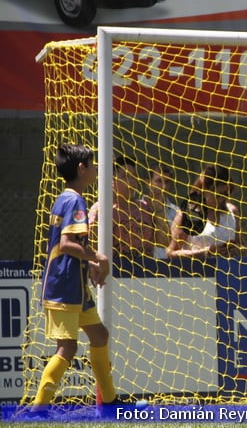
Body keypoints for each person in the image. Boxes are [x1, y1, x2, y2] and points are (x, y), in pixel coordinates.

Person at [29, 144, 117, 416]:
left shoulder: (66, 198)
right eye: (92, 164)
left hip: (75, 286)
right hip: (63, 285)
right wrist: (97, 258)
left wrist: (88, 263)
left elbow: (70, 243)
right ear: (82, 169)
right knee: (67, 347)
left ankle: (111, 404)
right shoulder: (75, 200)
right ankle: (38, 410)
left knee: (100, 335)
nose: (95, 169)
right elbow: (67, 244)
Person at [167, 164, 241, 258]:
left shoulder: (232, 212)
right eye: (218, 195)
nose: (222, 199)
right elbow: (171, 253)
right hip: (197, 271)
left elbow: (241, 244)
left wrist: (236, 249)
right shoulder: (188, 214)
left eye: (226, 194)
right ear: (203, 191)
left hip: (227, 270)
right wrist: (205, 252)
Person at [89, 156, 152, 257]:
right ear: (112, 181)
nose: (132, 181)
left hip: (146, 269)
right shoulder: (100, 208)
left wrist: (159, 209)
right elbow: (92, 245)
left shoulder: (145, 207)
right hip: (114, 270)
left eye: (134, 176)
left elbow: (164, 242)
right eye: (125, 176)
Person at [139, 165, 179, 259]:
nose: (164, 187)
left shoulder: (177, 212)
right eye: (159, 181)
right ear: (148, 183)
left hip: (168, 266)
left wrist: (160, 211)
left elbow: (169, 243)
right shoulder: (135, 207)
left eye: (167, 182)